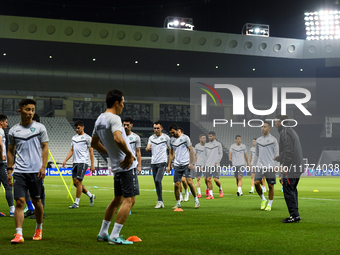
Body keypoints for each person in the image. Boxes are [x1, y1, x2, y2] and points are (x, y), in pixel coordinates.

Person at [92, 89, 138, 245]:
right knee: (129, 200)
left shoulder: (99, 120)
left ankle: (103, 232)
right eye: (123, 103)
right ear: (117, 103)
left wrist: (111, 155)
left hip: (116, 166)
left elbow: (93, 143)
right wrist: (129, 154)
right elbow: (118, 139)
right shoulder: (115, 118)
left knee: (117, 199)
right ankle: (114, 236)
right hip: (126, 167)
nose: (123, 106)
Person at [7, 99, 49, 243]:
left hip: (35, 172)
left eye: (32, 110)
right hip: (19, 171)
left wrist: (43, 166)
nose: (31, 113)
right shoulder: (13, 131)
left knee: (37, 201)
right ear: (20, 111)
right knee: (20, 202)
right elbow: (11, 151)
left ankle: (38, 229)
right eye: (27, 110)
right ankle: (19, 234)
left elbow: (45, 147)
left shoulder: (40, 128)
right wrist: (9, 171)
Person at [275, 115, 304, 223]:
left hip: (291, 167)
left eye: (276, 122)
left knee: (288, 189)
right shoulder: (291, 131)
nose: (275, 124)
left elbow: (289, 150)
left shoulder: (285, 132)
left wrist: (284, 164)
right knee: (292, 190)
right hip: (297, 165)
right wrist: (280, 157)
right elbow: (290, 149)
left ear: (281, 122)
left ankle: (294, 215)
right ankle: (295, 213)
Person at [62, 121, 96, 209]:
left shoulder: (87, 138)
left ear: (82, 127)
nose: (77, 130)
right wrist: (65, 160)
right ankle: (90, 195)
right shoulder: (74, 138)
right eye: (76, 128)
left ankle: (76, 203)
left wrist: (92, 164)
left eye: (78, 128)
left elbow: (91, 151)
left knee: (79, 182)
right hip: (75, 162)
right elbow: (72, 150)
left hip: (83, 162)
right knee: (75, 183)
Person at [166, 124, 200, 209]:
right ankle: (178, 203)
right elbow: (171, 153)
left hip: (186, 164)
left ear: (177, 130)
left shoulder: (185, 138)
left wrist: (191, 163)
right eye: (171, 133)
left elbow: (191, 150)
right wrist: (169, 165)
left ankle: (196, 200)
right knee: (177, 184)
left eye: (173, 132)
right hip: (177, 164)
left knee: (189, 182)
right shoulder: (171, 140)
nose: (172, 134)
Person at [252, 121, 279, 211]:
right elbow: (256, 154)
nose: (263, 128)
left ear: (269, 128)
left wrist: (276, 165)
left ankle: (269, 204)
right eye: (262, 127)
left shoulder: (273, 140)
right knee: (256, 183)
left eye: (265, 126)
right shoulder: (259, 140)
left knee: (271, 185)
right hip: (260, 165)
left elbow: (276, 154)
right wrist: (254, 164)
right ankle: (263, 199)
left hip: (270, 165)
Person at [145, 121, 170, 209]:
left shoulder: (166, 138)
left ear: (161, 128)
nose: (156, 130)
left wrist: (170, 164)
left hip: (162, 161)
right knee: (156, 182)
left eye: (158, 128)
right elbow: (147, 147)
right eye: (155, 128)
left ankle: (160, 201)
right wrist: (148, 149)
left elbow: (171, 150)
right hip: (153, 162)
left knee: (158, 180)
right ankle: (160, 201)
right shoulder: (151, 137)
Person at [29, 113, 46, 219]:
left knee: (39, 190)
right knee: (33, 190)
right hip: (30, 165)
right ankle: (35, 210)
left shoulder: (39, 131)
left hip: (37, 165)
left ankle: (40, 212)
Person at [0, 114, 15, 217]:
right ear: (1, 122)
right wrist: (2, 156)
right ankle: (12, 210)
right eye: (6, 122)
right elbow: (0, 144)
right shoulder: (0, 131)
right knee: (8, 185)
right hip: (1, 164)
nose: (7, 123)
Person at [204, 131, 223, 199]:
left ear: (214, 136)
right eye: (209, 136)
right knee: (208, 179)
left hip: (215, 165)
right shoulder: (206, 145)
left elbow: (221, 154)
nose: (209, 137)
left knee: (215, 179)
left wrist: (217, 161)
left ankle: (220, 188)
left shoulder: (218, 144)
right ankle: (211, 195)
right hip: (208, 164)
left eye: (211, 136)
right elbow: (205, 155)